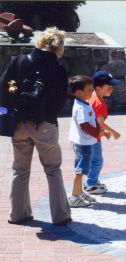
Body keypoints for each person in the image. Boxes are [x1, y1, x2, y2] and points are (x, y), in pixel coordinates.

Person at [0, 27, 71, 225]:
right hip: (45, 124)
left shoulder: (18, 61)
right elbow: (61, 99)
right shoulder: (58, 68)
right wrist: (47, 114)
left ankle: (18, 213)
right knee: (52, 169)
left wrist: (13, 107)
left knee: (20, 170)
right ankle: (60, 215)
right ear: (58, 47)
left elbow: (5, 88)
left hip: (19, 123)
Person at [68, 75, 108, 207]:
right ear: (79, 92)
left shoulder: (84, 103)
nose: (92, 92)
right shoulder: (81, 107)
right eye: (89, 89)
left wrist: (98, 131)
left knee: (83, 169)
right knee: (80, 170)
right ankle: (74, 196)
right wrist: (97, 132)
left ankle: (79, 192)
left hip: (86, 142)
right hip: (83, 143)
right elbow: (84, 125)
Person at [85, 71, 121, 194]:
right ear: (99, 88)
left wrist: (103, 131)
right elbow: (100, 122)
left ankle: (92, 180)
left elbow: (94, 120)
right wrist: (113, 132)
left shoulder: (92, 97)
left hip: (90, 135)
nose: (112, 88)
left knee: (92, 160)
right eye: (109, 86)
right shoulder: (99, 103)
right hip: (93, 137)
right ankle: (90, 184)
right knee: (97, 161)